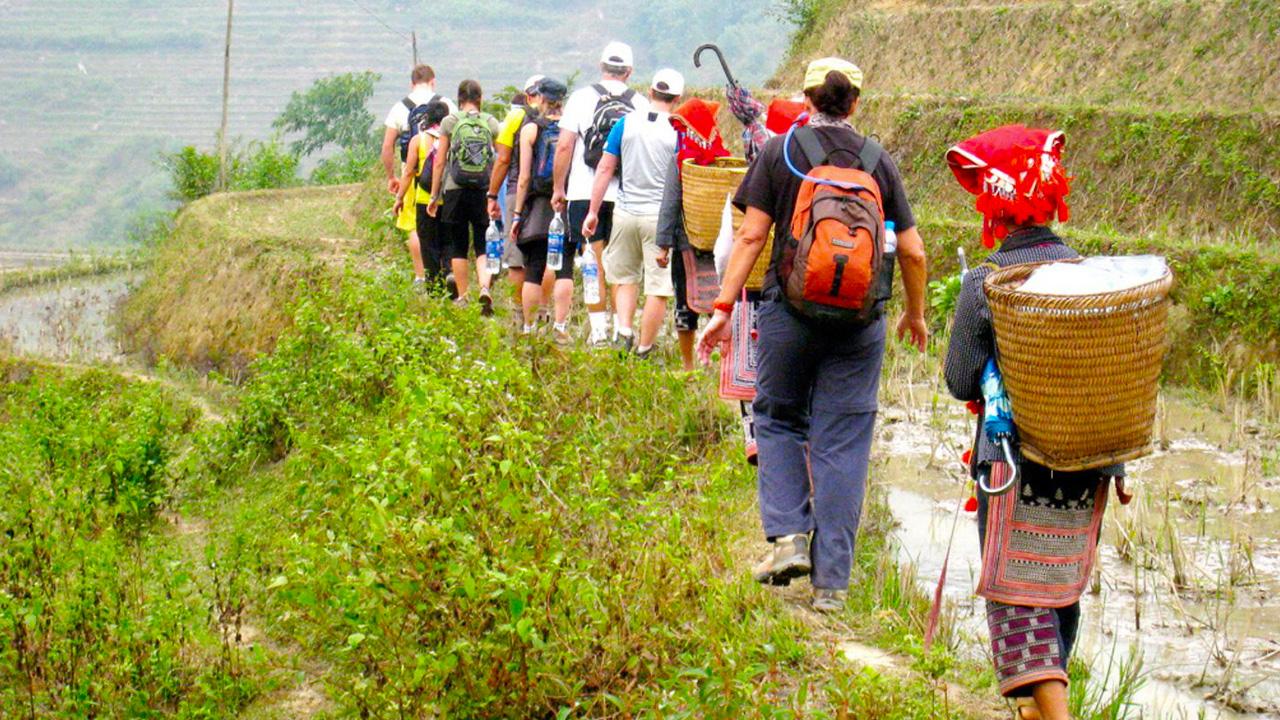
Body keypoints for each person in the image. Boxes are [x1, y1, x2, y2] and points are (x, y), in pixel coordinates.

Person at [697, 58, 929, 613]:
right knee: (844, 443)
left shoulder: (781, 151)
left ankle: (787, 539)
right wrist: (915, 314)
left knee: (777, 417)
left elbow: (752, 235)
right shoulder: (879, 162)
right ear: (854, 103)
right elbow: (915, 251)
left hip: (790, 314)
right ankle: (832, 586)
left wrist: (723, 306)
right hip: (860, 321)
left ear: (807, 99)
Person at [942, 124, 1121, 720]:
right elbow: (1113, 378)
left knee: (1017, 596)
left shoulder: (985, 282)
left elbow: (960, 380)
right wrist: (1116, 460)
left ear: (994, 205)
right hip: (1087, 460)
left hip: (1011, 463)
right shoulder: (1093, 282)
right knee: (1059, 587)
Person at [552, 41, 651, 346]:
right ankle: (623, 329)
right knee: (623, 267)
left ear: (601, 67)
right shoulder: (641, 104)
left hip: (584, 193)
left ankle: (598, 335)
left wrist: (559, 188)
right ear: (629, 71)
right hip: (628, 197)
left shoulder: (581, 98)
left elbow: (566, 146)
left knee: (592, 261)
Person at [583, 69, 683, 356]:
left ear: (650, 93)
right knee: (658, 287)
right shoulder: (676, 130)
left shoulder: (625, 123)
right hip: (659, 218)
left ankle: (624, 329)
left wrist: (592, 211)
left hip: (625, 212)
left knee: (624, 277)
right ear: (677, 98)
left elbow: (605, 168)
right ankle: (644, 347)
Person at [656, 97, 730, 370]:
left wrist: (663, 245)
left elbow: (670, 202)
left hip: (685, 241)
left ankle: (689, 366)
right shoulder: (724, 158)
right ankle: (721, 364)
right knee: (720, 300)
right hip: (721, 243)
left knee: (685, 302)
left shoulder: (682, 161)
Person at [428, 80, 501, 314]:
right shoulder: (490, 122)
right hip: (482, 189)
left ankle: (464, 296)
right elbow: (500, 158)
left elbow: (440, 161)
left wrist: (434, 194)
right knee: (482, 243)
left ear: (459, 99)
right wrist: (495, 192)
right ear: (480, 98)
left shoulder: (450, 122)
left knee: (458, 245)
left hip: (455, 188)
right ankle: (484, 288)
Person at [510, 79, 572, 340]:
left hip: (536, 207)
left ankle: (529, 328)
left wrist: (516, 214)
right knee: (565, 269)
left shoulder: (531, 129)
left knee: (533, 268)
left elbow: (524, 177)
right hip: (566, 205)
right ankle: (559, 326)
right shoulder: (572, 129)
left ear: (540, 98)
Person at [489, 75, 545, 299]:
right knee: (547, 256)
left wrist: (492, 194)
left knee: (516, 260)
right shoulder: (559, 119)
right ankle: (542, 310)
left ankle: (518, 317)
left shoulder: (517, 116)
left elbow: (503, 159)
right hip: (548, 196)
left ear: (527, 95)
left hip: (516, 192)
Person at [392, 99, 452, 288]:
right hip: (449, 198)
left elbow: (409, 172)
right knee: (448, 241)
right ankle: (450, 273)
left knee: (428, 245)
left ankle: (434, 286)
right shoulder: (451, 139)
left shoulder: (418, 140)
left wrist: (399, 198)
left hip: (424, 200)